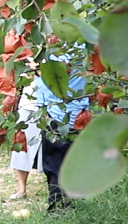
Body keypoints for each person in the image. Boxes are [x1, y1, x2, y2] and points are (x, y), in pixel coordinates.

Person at [32, 54, 89, 212]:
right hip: (77, 118)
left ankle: (60, 209)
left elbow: (57, 74)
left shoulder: (60, 52)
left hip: (62, 118)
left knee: (56, 164)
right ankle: (71, 206)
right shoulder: (84, 48)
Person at [9, 59, 44, 200]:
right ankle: (21, 189)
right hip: (28, 105)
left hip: (51, 106)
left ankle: (56, 188)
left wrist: (36, 67)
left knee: (49, 148)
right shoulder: (27, 51)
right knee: (22, 148)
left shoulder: (54, 51)